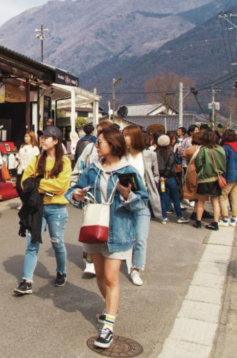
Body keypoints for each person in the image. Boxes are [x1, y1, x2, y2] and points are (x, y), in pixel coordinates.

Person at [66, 128, 148, 349]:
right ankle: (111, 307)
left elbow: (142, 201)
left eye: (100, 142)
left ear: (113, 144)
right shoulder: (93, 169)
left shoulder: (127, 171)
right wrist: (76, 194)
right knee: (100, 275)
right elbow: (73, 189)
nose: (97, 146)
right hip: (94, 227)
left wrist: (126, 194)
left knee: (112, 278)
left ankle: (108, 327)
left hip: (118, 230)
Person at [14, 126, 72, 295]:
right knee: (32, 244)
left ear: (56, 141)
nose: (42, 139)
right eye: (42, 137)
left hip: (57, 208)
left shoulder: (65, 162)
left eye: (47, 137)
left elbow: (61, 187)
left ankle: (61, 271)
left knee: (57, 242)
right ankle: (27, 280)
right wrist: (44, 187)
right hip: (36, 208)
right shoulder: (36, 159)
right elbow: (26, 182)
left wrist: (38, 184)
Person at [71, 120, 115, 277]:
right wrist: (75, 188)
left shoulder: (122, 160)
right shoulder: (90, 148)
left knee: (111, 232)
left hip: (113, 203)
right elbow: (79, 167)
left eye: (102, 132)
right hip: (92, 199)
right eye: (98, 132)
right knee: (91, 228)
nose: (98, 136)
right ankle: (89, 261)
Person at [122, 125, 164, 287]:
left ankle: (136, 269)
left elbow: (154, 174)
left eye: (126, 135)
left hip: (142, 201)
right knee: (124, 237)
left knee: (140, 238)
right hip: (124, 200)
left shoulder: (149, 155)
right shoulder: (121, 156)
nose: (123, 138)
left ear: (134, 137)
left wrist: (150, 186)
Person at [194, 130, 226, 230]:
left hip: (204, 178)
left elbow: (198, 163)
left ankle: (198, 222)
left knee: (201, 201)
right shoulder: (221, 149)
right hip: (216, 178)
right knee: (215, 202)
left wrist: (200, 171)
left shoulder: (203, 149)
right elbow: (224, 163)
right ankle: (215, 223)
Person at [155, 134, 187, 224]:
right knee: (175, 197)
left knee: (163, 196)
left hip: (160, 178)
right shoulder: (170, 153)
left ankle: (164, 217)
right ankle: (180, 216)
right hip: (170, 177)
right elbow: (170, 165)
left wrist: (161, 176)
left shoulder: (154, 153)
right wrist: (165, 175)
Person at [219, 129, 237, 227]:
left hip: (229, 175)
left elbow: (223, 163)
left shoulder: (226, 148)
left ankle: (225, 219)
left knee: (223, 196)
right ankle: (234, 217)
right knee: (234, 196)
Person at [15, 131, 40, 208]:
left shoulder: (35, 148)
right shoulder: (22, 147)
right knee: (18, 187)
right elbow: (19, 156)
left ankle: (27, 203)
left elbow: (36, 160)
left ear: (31, 138)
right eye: (25, 136)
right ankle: (23, 201)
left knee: (27, 188)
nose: (25, 138)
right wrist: (17, 157)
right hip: (21, 169)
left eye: (27, 137)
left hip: (29, 170)